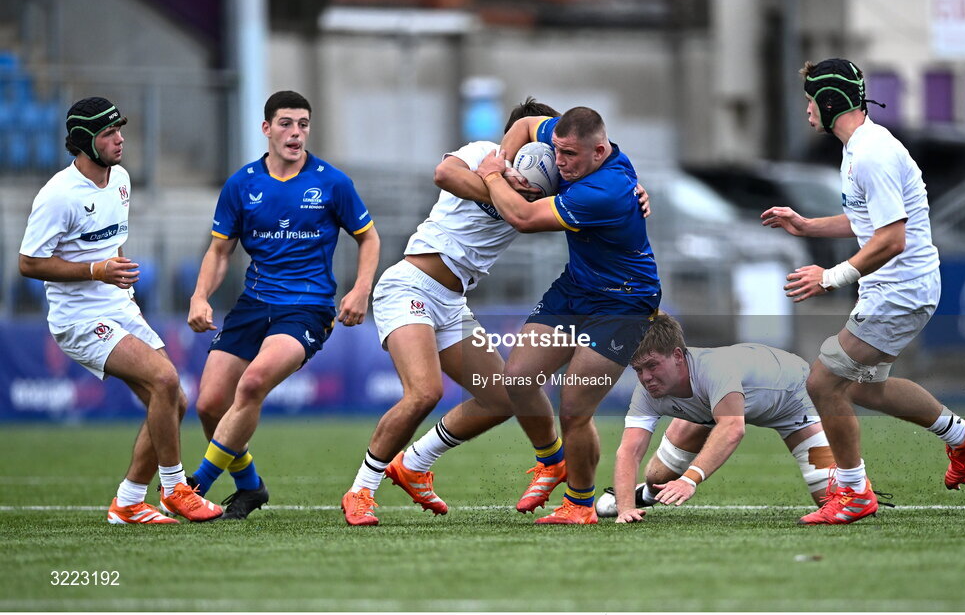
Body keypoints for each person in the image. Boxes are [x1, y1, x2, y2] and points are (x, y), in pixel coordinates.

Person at [344, 98, 607, 526]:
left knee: (501, 397)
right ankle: (360, 492)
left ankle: (414, 465)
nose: (554, 157)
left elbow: (602, 184)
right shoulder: (482, 152)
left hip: (451, 303)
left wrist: (637, 192)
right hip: (408, 285)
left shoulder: (554, 184)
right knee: (423, 393)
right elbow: (443, 174)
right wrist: (502, 184)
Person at [762, 58, 965, 525]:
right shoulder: (859, 147)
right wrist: (808, 225)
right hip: (894, 286)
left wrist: (830, 277)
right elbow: (867, 221)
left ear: (830, 103)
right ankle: (963, 435)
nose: (807, 110)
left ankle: (854, 494)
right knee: (865, 389)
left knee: (823, 383)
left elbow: (893, 239)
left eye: (811, 101)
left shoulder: (872, 154)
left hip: (901, 289)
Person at [19, 97, 222, 524]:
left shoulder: (122, 179)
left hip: (117, 306)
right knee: (166, 379)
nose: (119, 138)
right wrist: (98, 269)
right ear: (82, 143)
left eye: (119, 130)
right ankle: (175, 490)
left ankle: (128, 502)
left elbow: (113, 243)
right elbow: (29, 263)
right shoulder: (58, 195)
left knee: (174, 399)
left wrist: (117, 273)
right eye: (108, 133)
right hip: (78, 319)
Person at [187, 90, 380, 520]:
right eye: (287, 123)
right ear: (267, 128)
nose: (296, 133)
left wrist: (360, 288)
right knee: (208, 405)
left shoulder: (332, 182)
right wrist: (200, 296)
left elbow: (368, 237)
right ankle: (250, 486)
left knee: (253, 383)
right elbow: (220, 251)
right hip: (253, 304)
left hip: (308, 308)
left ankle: (194, 483)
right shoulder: (242, 184)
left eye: (303, 124)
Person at [470, 107, 661, 525]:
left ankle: (579, 504)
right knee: (518, 380)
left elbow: (521, 218)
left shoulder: (605, 191)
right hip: (577, 288)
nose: (559, 162)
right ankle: (552, 461)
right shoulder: (582, 152)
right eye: (556, 150)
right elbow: (523, 125)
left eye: (570, 155)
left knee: (574, 406)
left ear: (598, 151)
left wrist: (490, 175)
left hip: (623, 302)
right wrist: (506, 160)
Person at [594, 313, 835, 522]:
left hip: (792, 401)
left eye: (652, 365)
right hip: (712, 409)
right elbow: (629, 451)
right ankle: (643, 495)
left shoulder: (714, 369)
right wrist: (626, 509)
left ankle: (856, 483)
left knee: (832, 499)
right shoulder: (647, 391)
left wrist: (689, 480)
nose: (645, 377)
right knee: (657, 477)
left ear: (678, 356)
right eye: (638, 369)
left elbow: (732, 428)